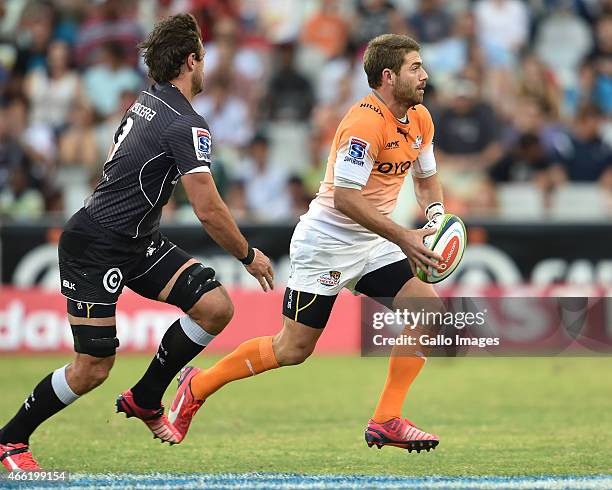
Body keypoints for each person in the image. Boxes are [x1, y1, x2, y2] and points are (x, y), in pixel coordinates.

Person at [0, 13, 273, 471]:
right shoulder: (185, 123)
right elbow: (207, 208)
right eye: (202, 57)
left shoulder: (148, 101)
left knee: (214, 307)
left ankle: (146, 397)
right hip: (96, 244)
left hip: (138, 240)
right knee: (92, 368)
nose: (204, 66)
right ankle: (10, 440)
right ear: (191, 61)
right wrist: (247, 254)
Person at [168, 34, 445, 452]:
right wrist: (406, 237)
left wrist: (437, 218)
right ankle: (199, 383)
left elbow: (426, 180)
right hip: (326, 244)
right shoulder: (363, 123)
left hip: (374, 241)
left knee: (429, 313)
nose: (424, 75)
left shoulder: (420, 118)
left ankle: (387, 418)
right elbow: (346, 199)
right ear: (388, 77)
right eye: (415, 68)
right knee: (293, 348)